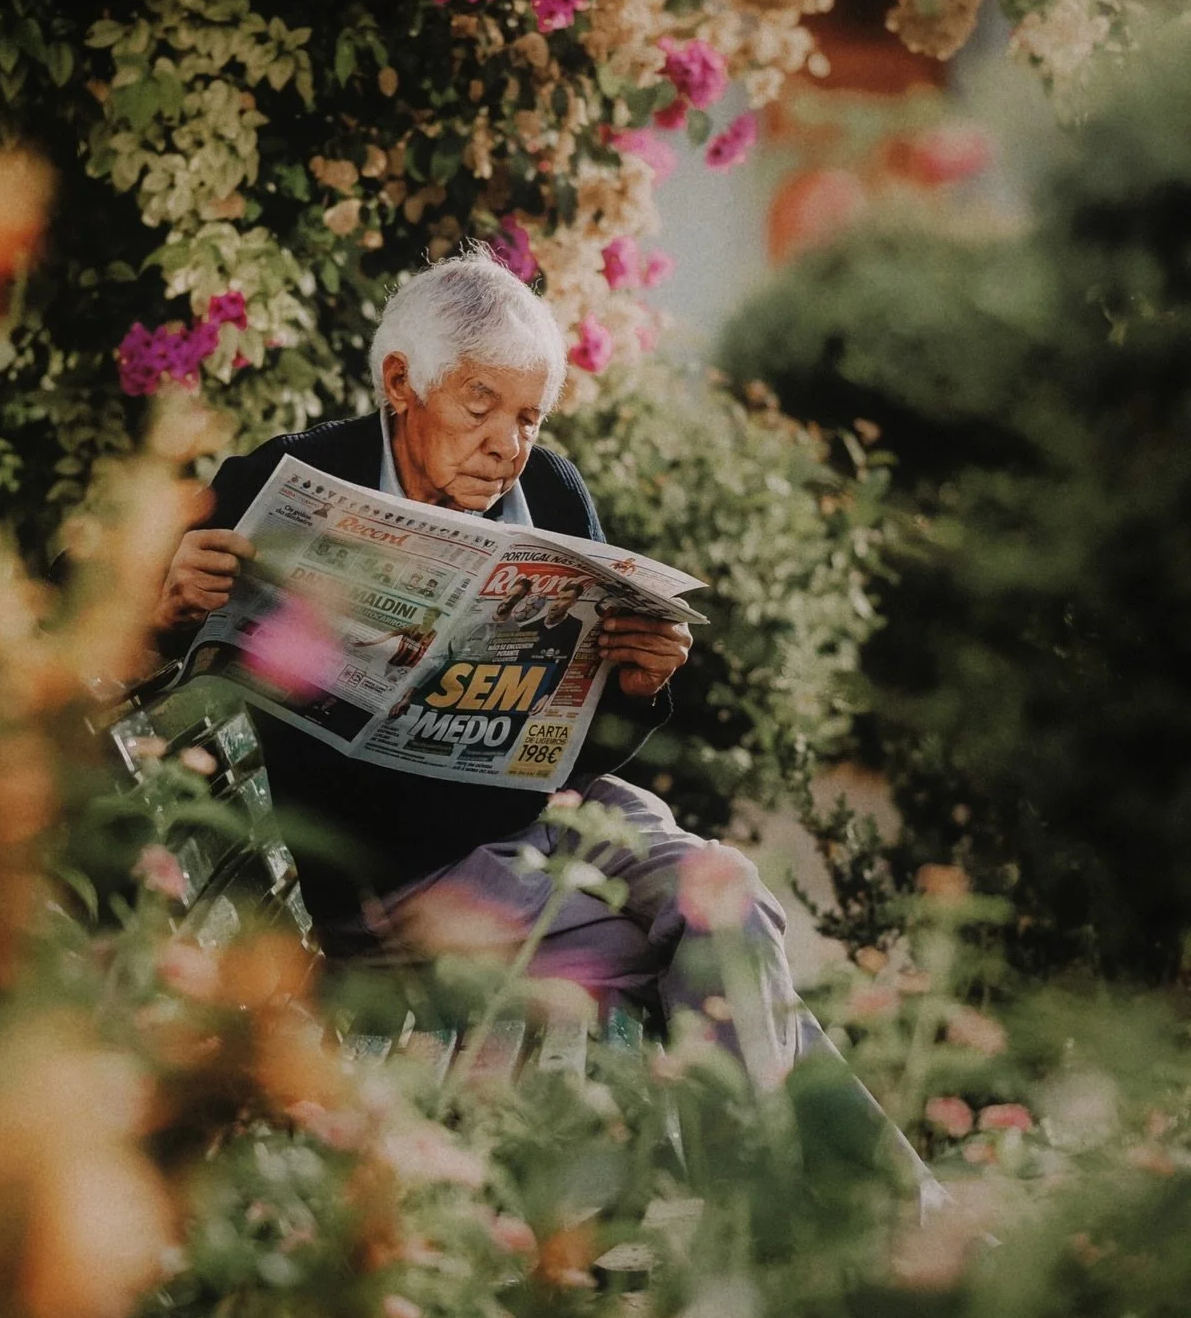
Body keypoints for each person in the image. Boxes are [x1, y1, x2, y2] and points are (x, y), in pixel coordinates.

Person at [152, 256, 812, 1084]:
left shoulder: (555, 493)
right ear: (402, 382)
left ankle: (810, 1186)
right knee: (651, 973)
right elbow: (155, 672)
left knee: (732, 900)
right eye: (480, 404)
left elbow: (573, 742)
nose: (508, 445)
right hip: (396, 877)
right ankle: (827, 1191)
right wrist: (167, 611)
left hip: (544, 819)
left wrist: (637, 688)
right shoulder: (286, 481)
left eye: (529, 416)